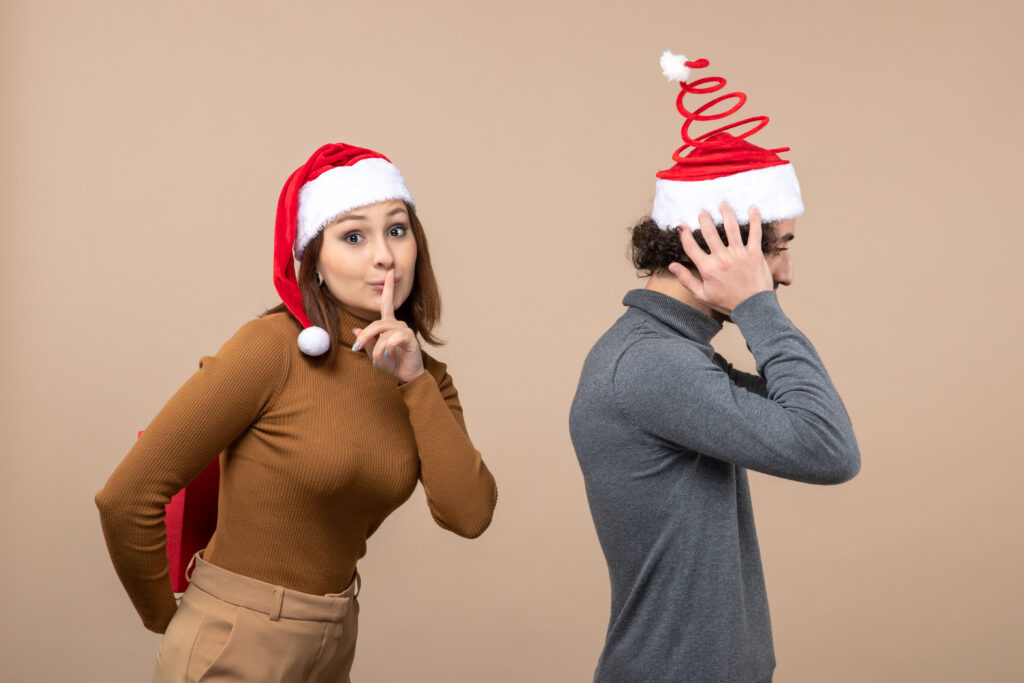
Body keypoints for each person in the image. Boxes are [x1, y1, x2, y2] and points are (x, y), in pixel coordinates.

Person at [95, 142, 498, 682]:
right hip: (236, 637)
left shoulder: (424, 380)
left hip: (334, 640)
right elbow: (127, 496)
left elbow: (468, 515)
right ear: (313, 259)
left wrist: (414, 382)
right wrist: (176, 625)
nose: (385, 256)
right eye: (353, 236)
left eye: (397, 230)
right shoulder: (273, 350)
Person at [569, 52, 860, 683]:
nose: (785, 273)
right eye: (776, 250)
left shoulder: (675, 353)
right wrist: (756, 305)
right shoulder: (648, 365)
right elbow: (829, 447)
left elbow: (806, 417)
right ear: (716, 245)